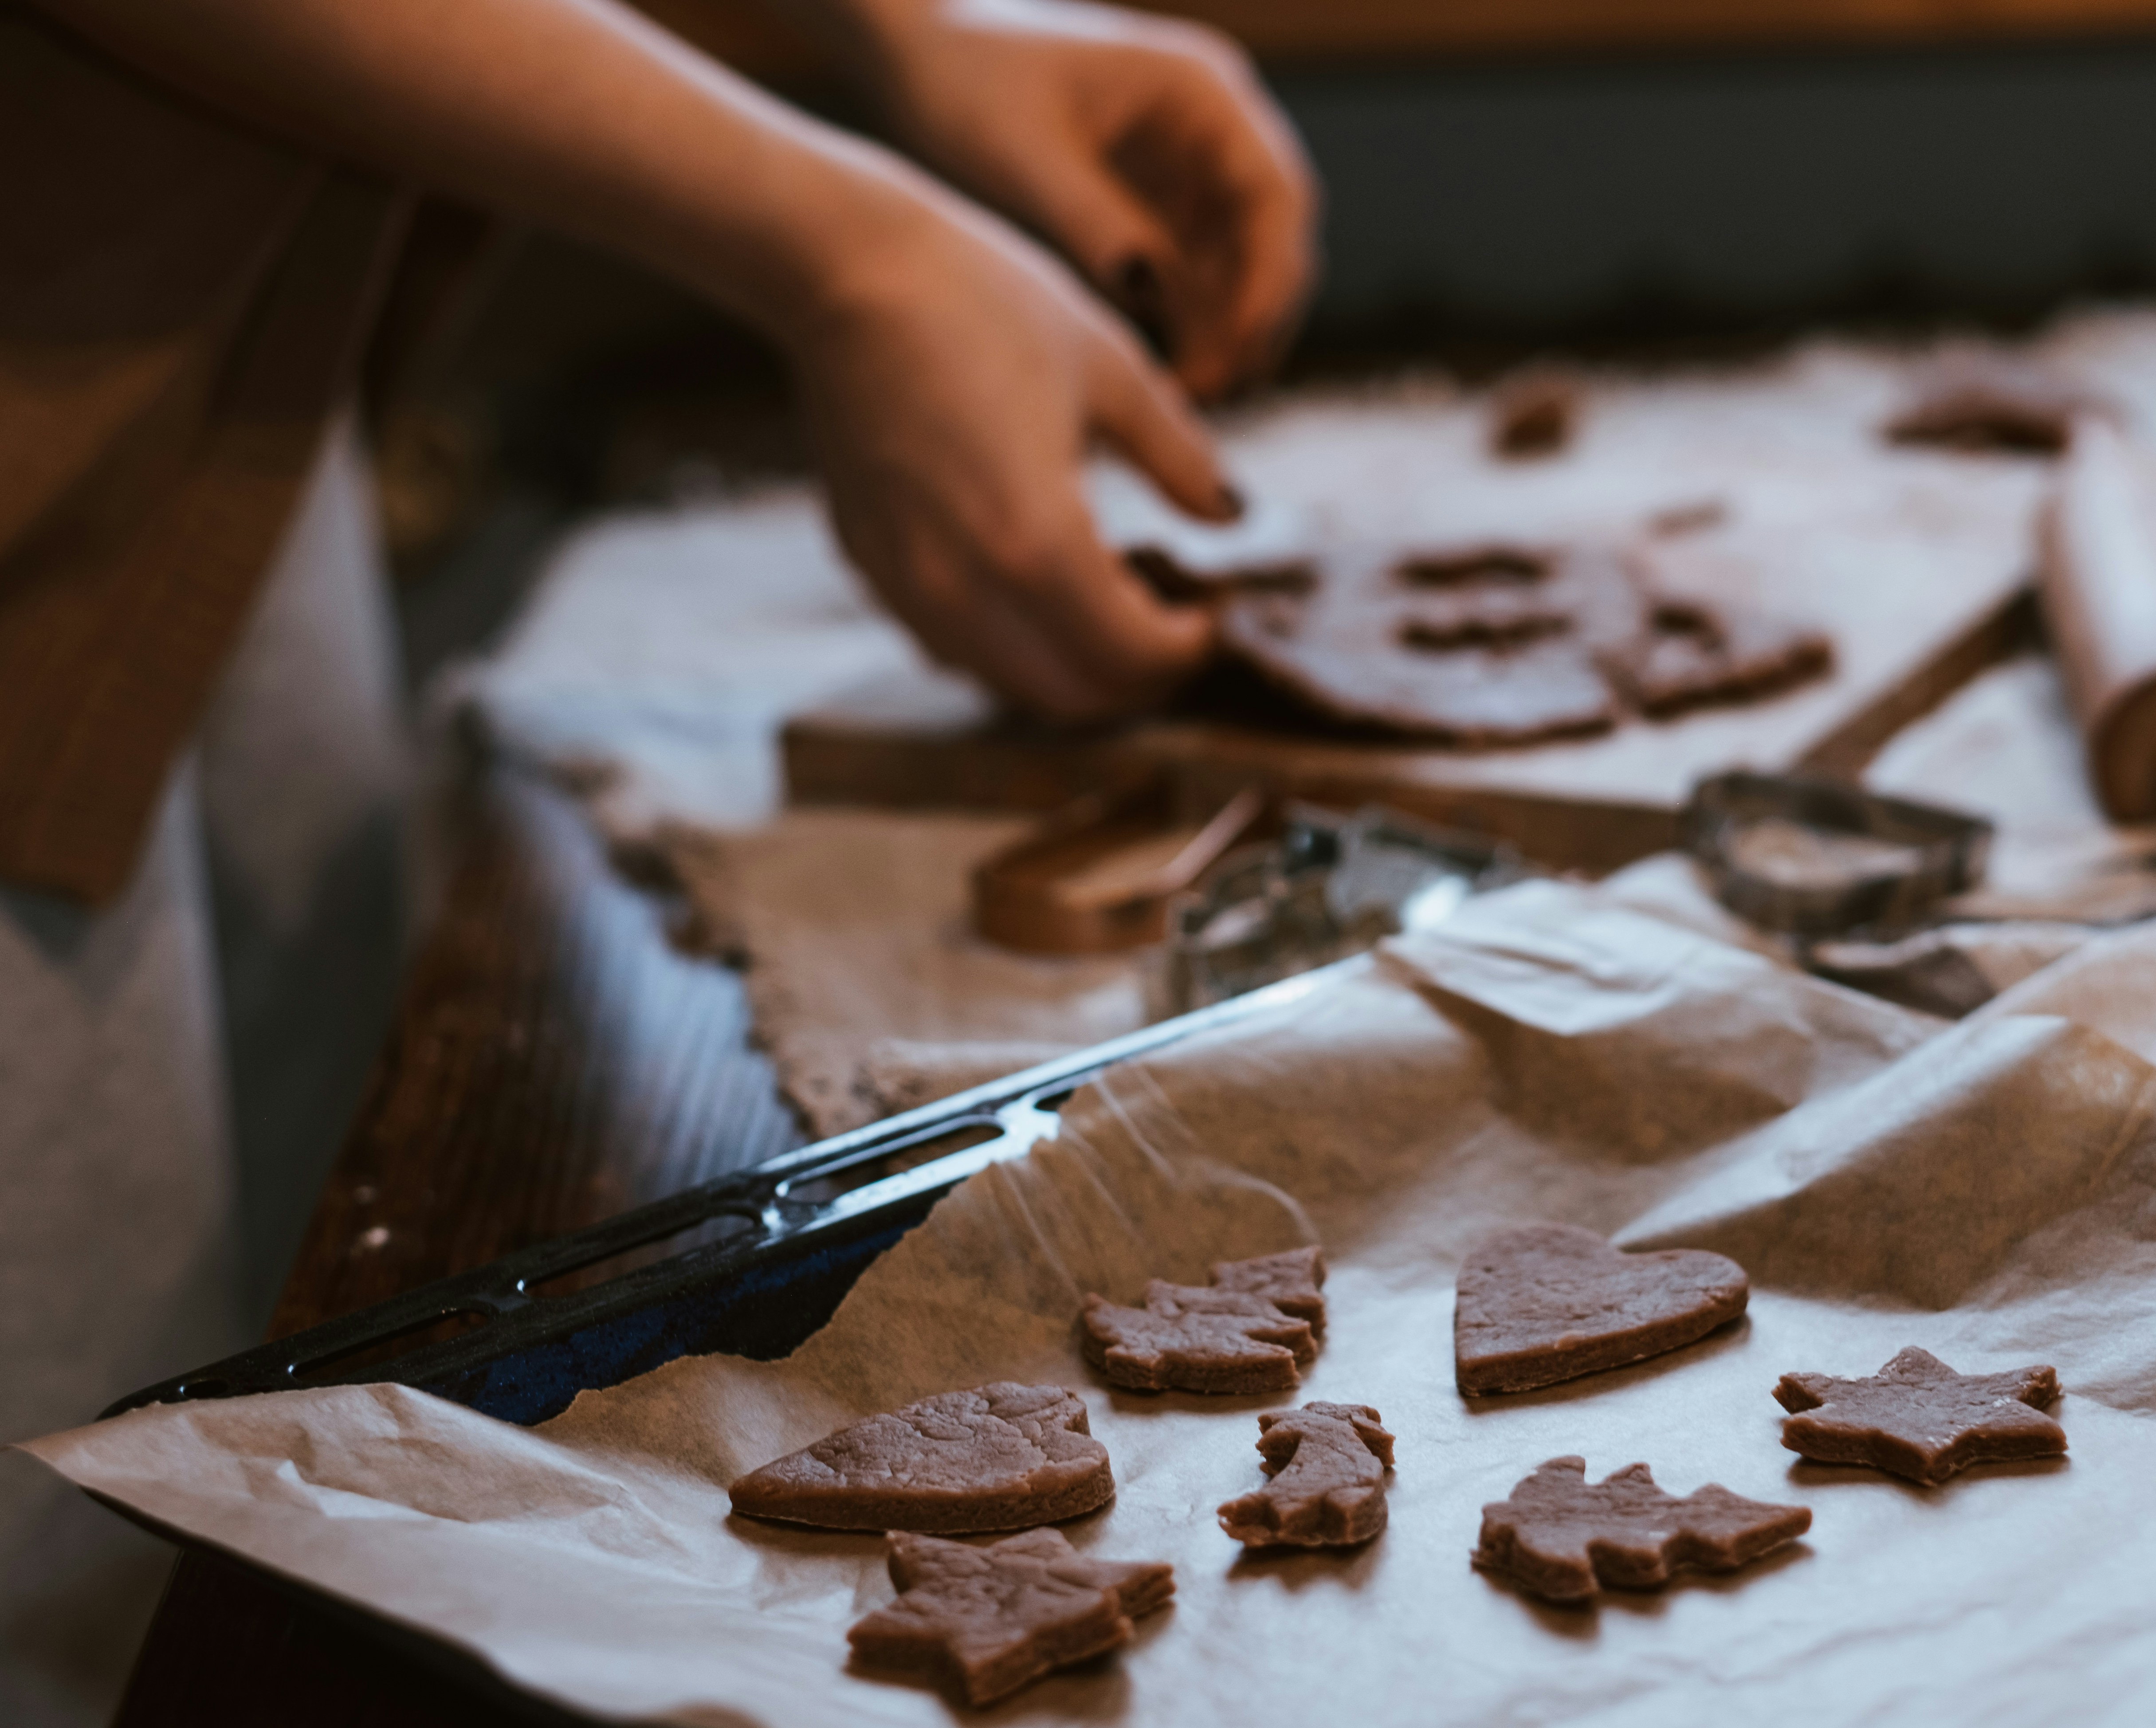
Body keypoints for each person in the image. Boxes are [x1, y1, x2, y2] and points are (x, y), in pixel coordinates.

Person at [0, 2, 1316, 1721]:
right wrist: (839, 245)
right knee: (61, 1556)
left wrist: (889, 25)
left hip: (201, 336)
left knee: (312, 1347)